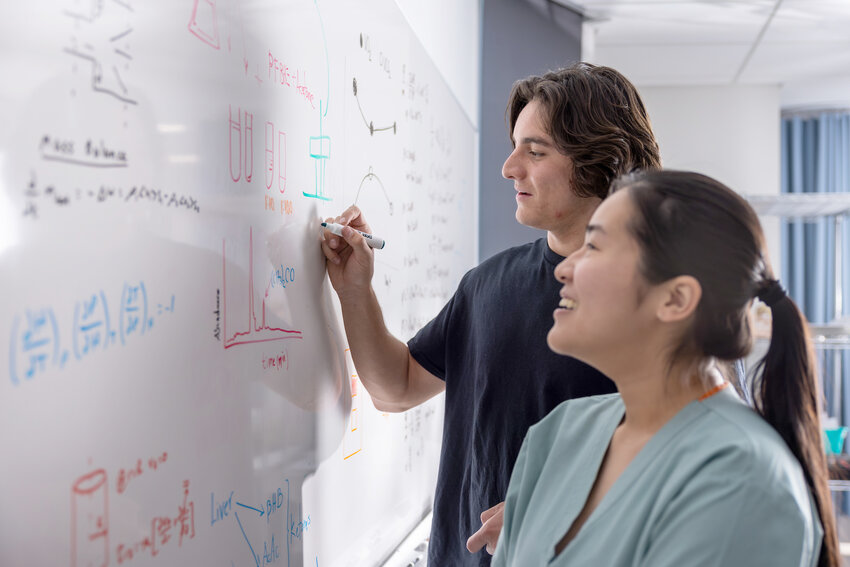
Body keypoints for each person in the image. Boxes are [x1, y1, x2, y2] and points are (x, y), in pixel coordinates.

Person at [320, 63, 661, 566]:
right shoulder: (486, 285)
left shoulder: (666, 302)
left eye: (535, 150)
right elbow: (396, 387)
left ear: (603, 161)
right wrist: (355, 291)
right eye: (514, 144)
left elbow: (702, 470)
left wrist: (566, 511)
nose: (509, 166)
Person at [492, 170, 838, 566]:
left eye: (594, 246)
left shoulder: (742, 479)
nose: (563, 269)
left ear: (675, 299)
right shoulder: (561, 432)